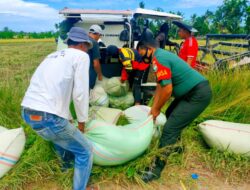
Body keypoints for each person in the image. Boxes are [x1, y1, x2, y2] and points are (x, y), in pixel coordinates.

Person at [21, 27, 95, 190]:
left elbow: (55, 92)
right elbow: (80, 93)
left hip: (28, 112)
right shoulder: (81, 56)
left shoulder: (52, 56)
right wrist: (81, 123)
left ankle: (66, 169)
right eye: (88, 47)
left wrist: (68, 118)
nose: (87, 50)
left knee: (59, 136)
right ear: (83, 45)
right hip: (49, 116)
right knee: (85, 151)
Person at [137, 37, 212, 182]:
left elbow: (167, 90)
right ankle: (176, 147)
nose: (142, 58)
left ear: (149, 49)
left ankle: (155, 169)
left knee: (170, 128)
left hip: (197, 95)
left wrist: (157, 109)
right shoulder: (159, 56)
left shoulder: (158, 58)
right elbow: (160, 85)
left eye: (142, 54)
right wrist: (154, 108)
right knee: (170, 113)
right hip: (189, 93)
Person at [88, 24, 103, 89]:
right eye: (100, 36)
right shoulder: (94, 43)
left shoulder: (82, 40)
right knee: (88, 91)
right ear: (97, 34)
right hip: (89, 72)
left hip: (79, 72)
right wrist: (100, 75)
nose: (99, 38)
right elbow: (96, 64)